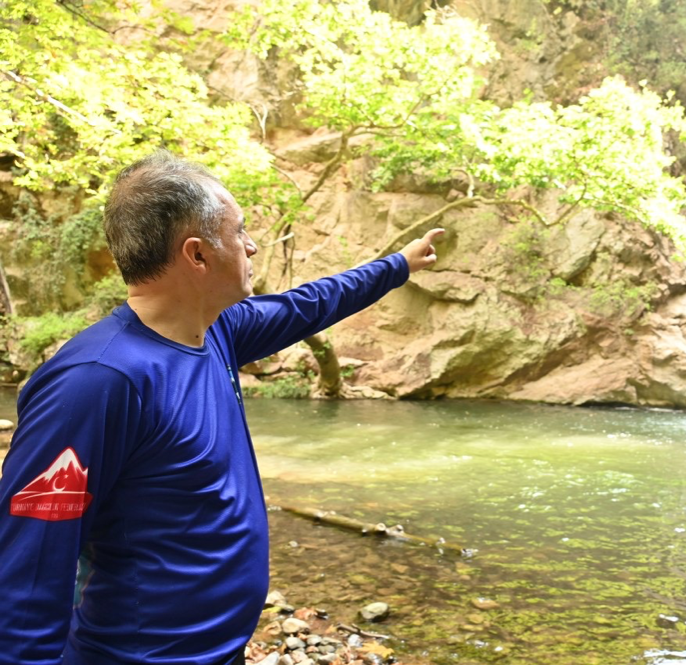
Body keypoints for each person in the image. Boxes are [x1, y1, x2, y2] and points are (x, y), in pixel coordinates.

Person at [0, 150, 444, 665]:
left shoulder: (218, 333)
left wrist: (399, 266)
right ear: (197, 255)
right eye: (240, 231)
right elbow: (27, 564)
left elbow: (313, 302)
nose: (253, 245)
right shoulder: (97, 381)